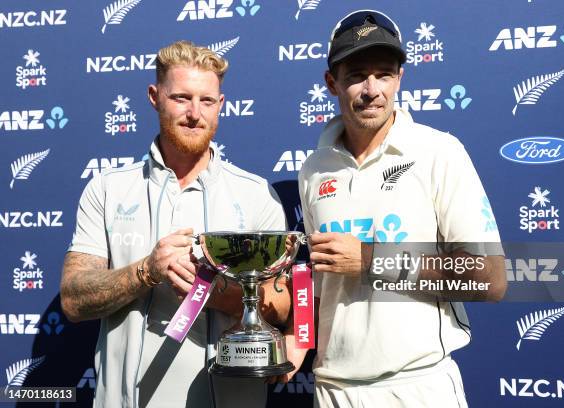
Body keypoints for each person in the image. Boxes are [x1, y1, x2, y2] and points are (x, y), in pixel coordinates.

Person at [282, 10, 507, 407]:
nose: (372, 90)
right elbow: (320, 284)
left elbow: (489, 279)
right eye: (356, 75)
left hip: (417, 386)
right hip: (333, 389)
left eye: (384, 73)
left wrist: (370, 259)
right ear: (331, 82)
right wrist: (298, 340)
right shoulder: (314, 169)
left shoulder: (440, 152)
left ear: (400, 78)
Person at [60, 40, 290, 408]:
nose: (194, 114)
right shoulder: (107, 188)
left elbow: (281, 305)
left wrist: (215, 293)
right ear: (155, 96)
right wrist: (145, 271)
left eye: (207, 101)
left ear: (221, 106)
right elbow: (73, 299)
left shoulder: (255, 194)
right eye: (181, 98)